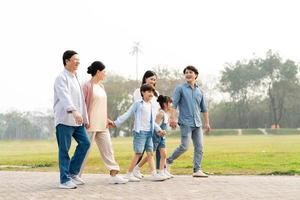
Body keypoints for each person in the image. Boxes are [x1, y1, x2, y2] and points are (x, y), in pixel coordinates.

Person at [80, 61, 128, 184]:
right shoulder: (86, 86)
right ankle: (75, 175)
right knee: (84, 150)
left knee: (108, 149)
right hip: (90, 125)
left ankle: (114, 174)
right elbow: (82, 105)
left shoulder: (101, 86)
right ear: (98, 72)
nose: (105, 74)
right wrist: (85, 120)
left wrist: (107, 119)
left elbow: (101, 106)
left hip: (102, 124)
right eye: (104, 71)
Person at [111, 84, 167, 182]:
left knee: (150, 153)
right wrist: (116, 123)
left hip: (149, 133)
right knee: (138, 153)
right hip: (140, 132)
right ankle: (128, 174)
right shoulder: (138, 104)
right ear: (142, 92)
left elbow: (152, 121)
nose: (151, 94)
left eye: (152, 92)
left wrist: (158, 130)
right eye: (148, 91)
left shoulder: (151, 105)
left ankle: (154, 174)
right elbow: (127, 114)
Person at [53, 50, 91, 189]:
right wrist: (74, 111)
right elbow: (64, 97)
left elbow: (81, 100)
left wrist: (85, 118)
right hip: (64, 120)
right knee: (64, 150)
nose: (78, 62)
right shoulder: (61, 78)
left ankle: (72, 173)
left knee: (85, 143)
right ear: (67, 61)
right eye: (75, 59)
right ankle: (64, 180)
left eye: (78, 60)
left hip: (77, 121)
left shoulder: (75, 77)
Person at [167, 65, 211, 177]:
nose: (188, 74)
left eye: (190, 72)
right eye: (186, 72)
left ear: (196, 75)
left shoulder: (200, 91)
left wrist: (207, 123)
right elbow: (174, 105)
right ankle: (167, 162)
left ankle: (197, 170)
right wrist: (172, 118)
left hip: (197, 124)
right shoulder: (180, 88)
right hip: (185, 122)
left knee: (199, 147)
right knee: (184, 146)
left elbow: (204, 109)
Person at [131, 70, 161, 179]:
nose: (153, 81)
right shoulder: (138, 91)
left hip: (154, 124)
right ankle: (133, 171)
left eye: (154, 80)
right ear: (145, 79)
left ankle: (138, 169)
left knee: (150, 150)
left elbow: (157, 108)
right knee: (140, 151)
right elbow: (141, 106)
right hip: (142, 126)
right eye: (151, 79)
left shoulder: (156, 93)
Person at [152, 95, 174, 178]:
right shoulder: (160, 113)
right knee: (150, 155)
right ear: (165, 104)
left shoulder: (166, 113)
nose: (171, 105)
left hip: (162, 138)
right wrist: (159, 132)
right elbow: (155, 125)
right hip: (156, 137)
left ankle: (162, 171)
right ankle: (137, 167)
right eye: (170, 103)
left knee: (164, 154)